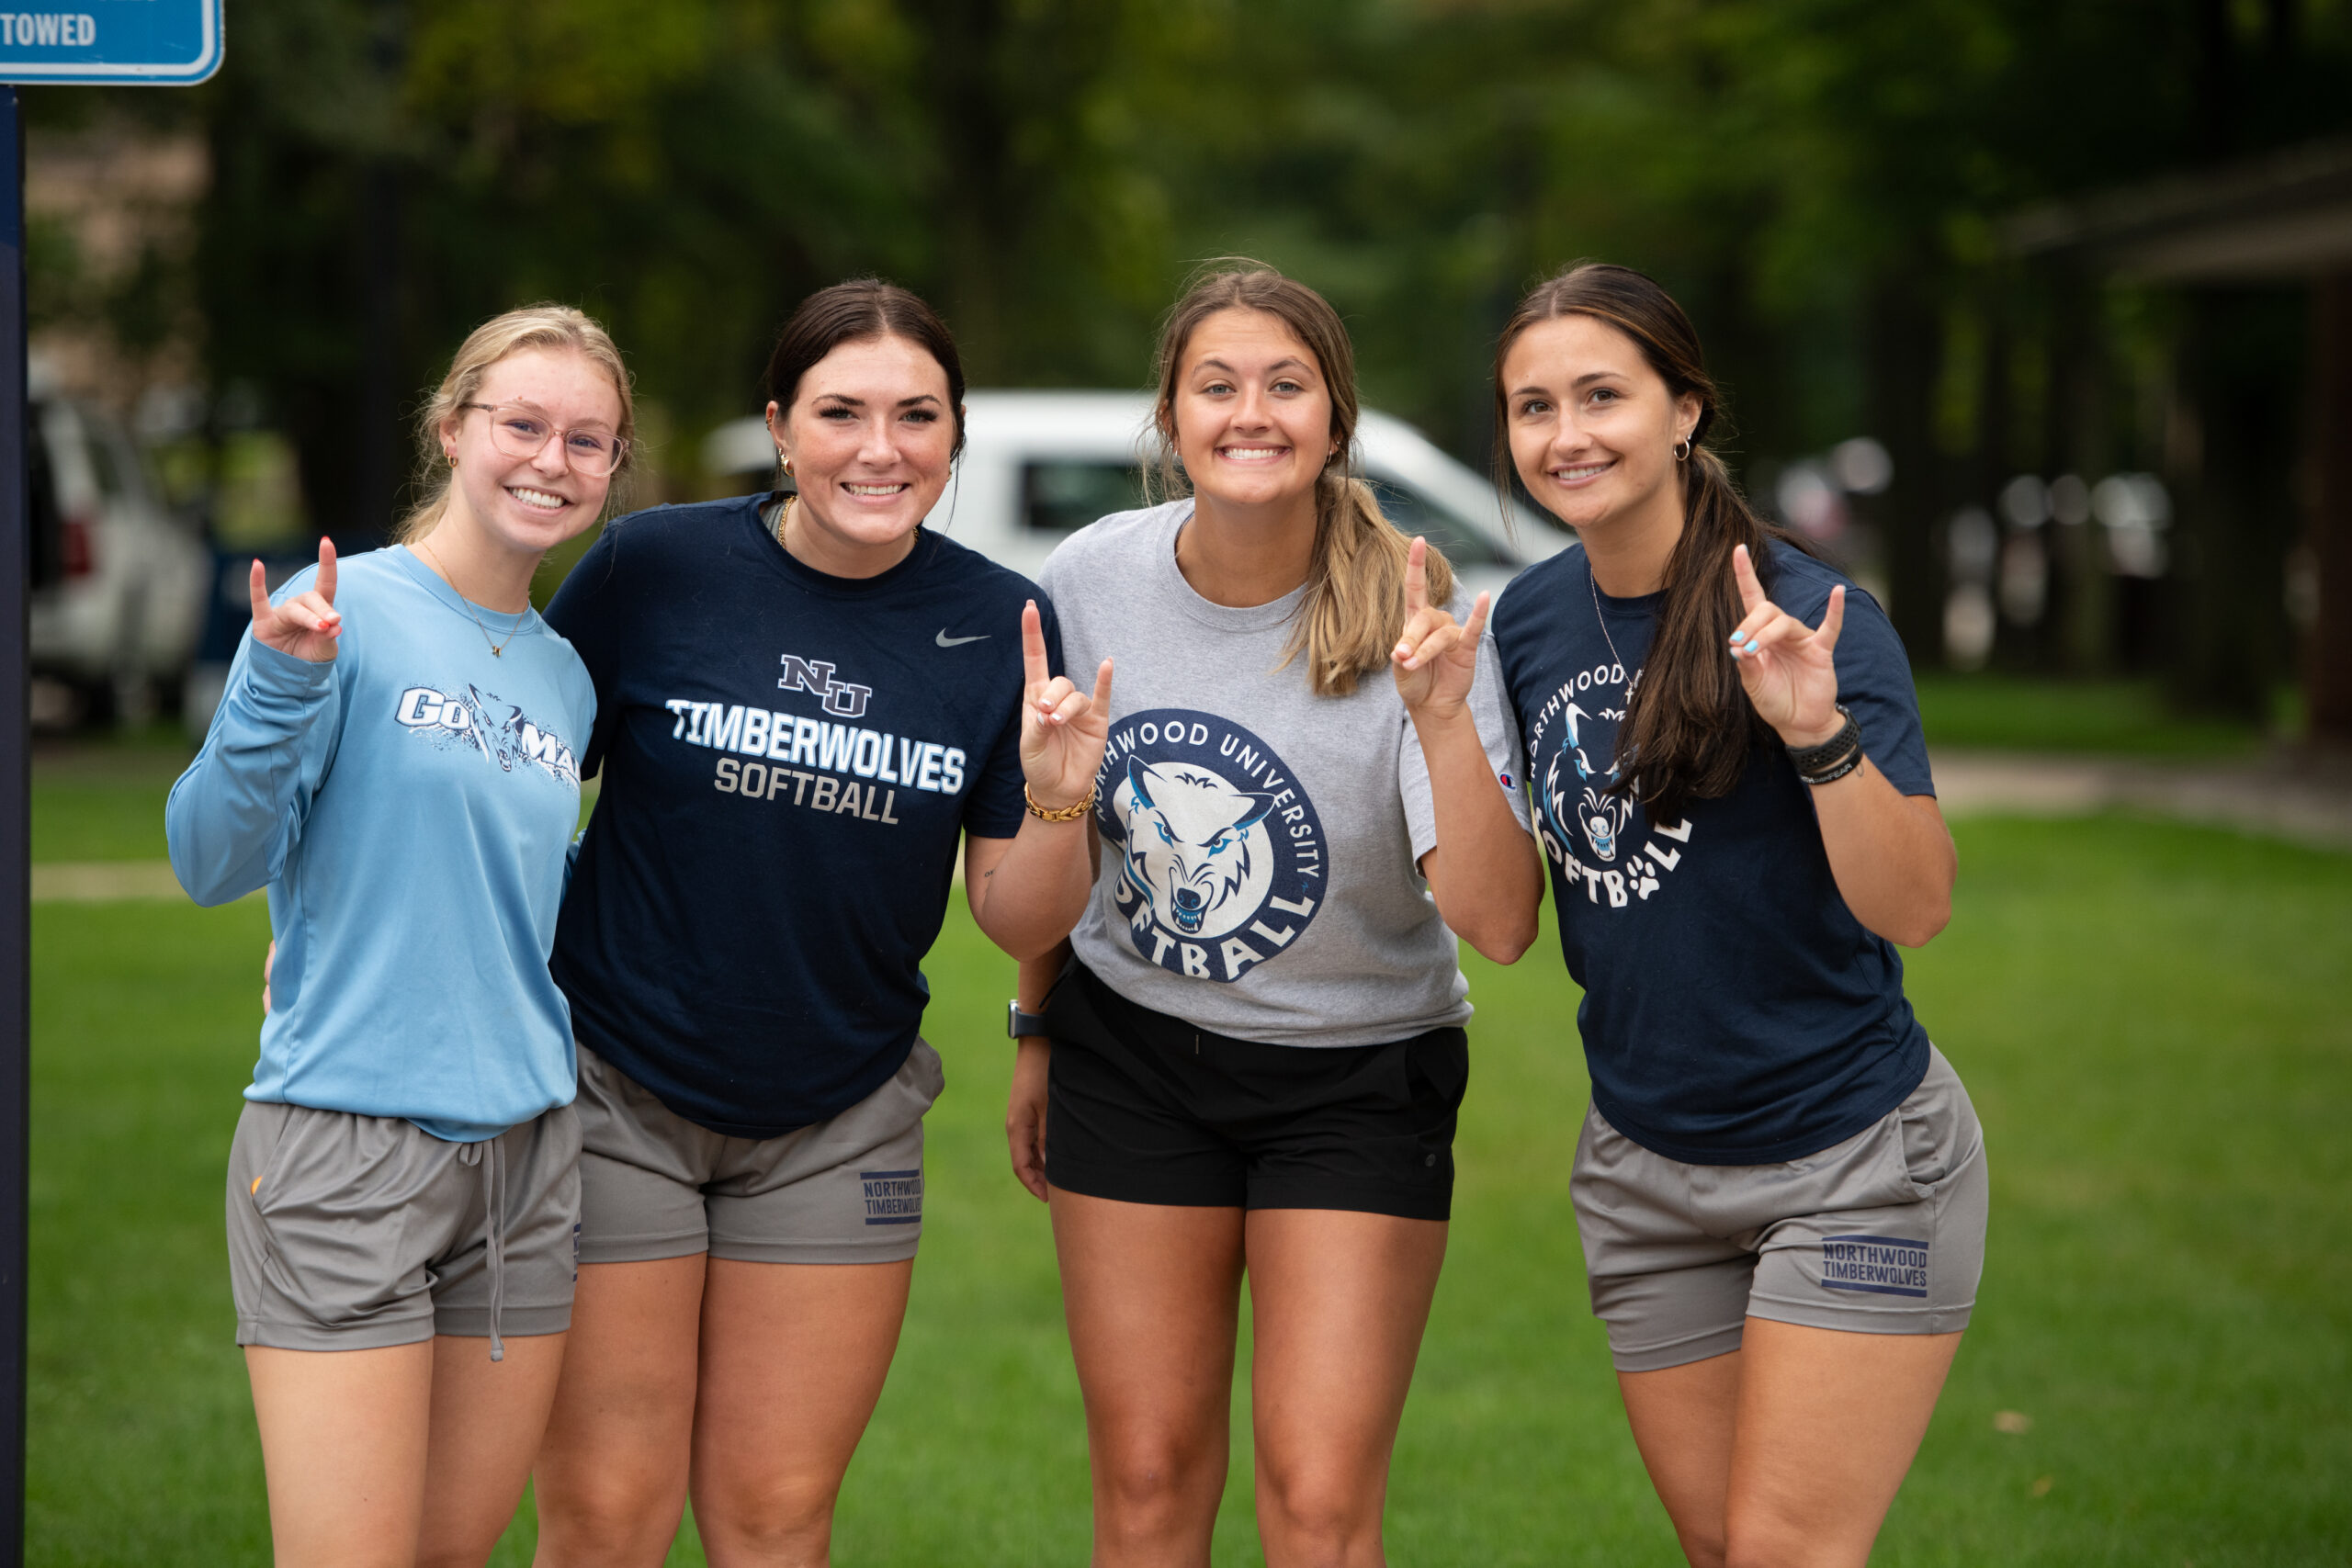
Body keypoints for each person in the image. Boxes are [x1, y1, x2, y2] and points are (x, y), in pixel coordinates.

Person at [526, 279, 1110, 1568]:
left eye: (917, 415)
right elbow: (512, 783)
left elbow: (1012, 909)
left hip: (839, 1118)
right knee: (606, 1521)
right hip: (614, 1090)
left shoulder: (1001, 622)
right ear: (782, 426)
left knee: (776, 1520)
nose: (880, 448)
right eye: (841, 412)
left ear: (955, 433)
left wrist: (1063, 803)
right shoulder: (655, 568)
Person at [1419, 261, 1984, 1568]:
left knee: (1787, 1552)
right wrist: (1443, 720)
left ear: (1684, 409)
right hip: (1646, 1174)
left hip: (1849, 1160)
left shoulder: (1801, 611)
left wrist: (1821, 736)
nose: (1567, 437)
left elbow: (1919, 903)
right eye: (1533, 407)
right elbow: (1499, 924)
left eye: (1602, 396)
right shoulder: (1525, 625)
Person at [1004, 263, 1539, 1568]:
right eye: (1218, 386)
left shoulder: (1413, 606)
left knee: (1314, 1504)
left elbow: (1502, 923)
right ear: (1171, 420)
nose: (1253, 413)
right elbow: (1054, 815)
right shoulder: (1092, 579)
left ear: (1336, 418)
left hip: (1357, 1079)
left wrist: (1442, 723)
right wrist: (1034, 1027)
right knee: (1143, 1483)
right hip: (1132, 1057)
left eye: (1287, 385)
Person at [168, 305, 633, 1568]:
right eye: (523, 424)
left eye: (588, 441)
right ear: (451, 428)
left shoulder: (565, 675)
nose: (553, 460)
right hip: (347, 1146)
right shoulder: (341, 610)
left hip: (528, 1164)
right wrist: (275, 688)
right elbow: (209, 859)